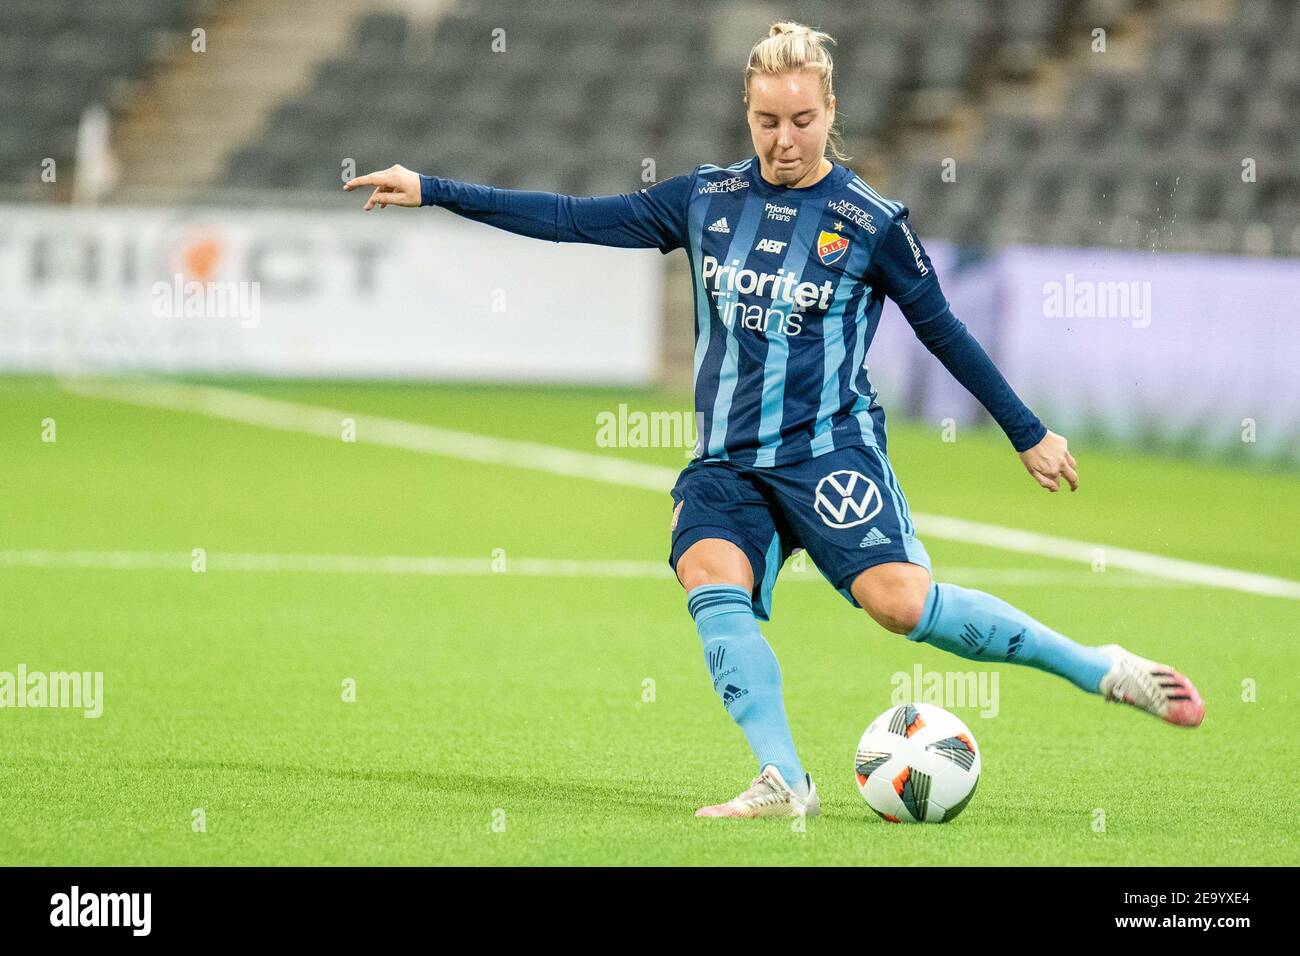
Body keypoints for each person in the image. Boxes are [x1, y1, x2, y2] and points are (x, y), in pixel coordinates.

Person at [344, 20, 1204, 820]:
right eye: (766, 121)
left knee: (899, 608)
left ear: (831, 111)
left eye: (800, 120)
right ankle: (785, 779)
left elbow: (941, 328)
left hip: (831, 454)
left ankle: (1101, 667)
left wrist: (1028, 431)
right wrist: (433, 189)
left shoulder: (871, 223)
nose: (783, 140)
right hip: (726, 463)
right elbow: (571, 219)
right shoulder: (703, 199)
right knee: (709, 577)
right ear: (746, 115)